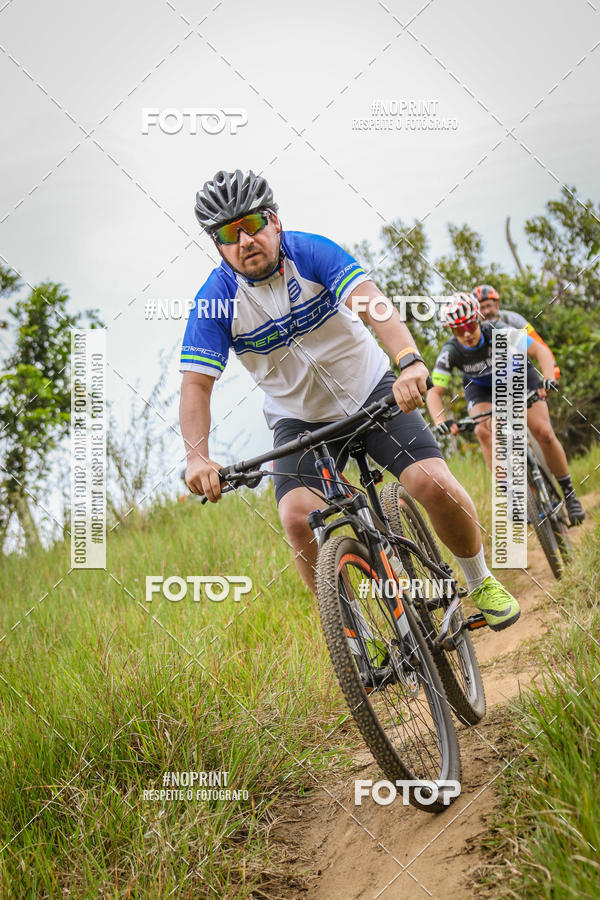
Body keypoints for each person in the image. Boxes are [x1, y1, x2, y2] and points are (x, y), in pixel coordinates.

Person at [180, 169, 521, 630]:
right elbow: (197, 386)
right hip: (299, 421)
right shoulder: (215, 299)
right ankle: (350, 632)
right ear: (217, 244)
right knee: (298, 518)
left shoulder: (311, 251)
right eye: (227, 233)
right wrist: (197, 457)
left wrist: (409, 361)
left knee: (432, 483)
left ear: (275, 221)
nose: (244, 240)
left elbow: (373, 304)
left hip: (371, 392)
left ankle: (479, 579)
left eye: (253, 224)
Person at [427, 292, 585, 524]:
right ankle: (510, 495)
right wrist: (440, 421)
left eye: (470, 325)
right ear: (452, 331)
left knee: (543, 432)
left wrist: (548, 379)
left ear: (478, 319)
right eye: (459, 330)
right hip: (482, 390)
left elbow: (539, 351)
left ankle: (569, 495)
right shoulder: (450, 352)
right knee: (483, 431)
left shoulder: (498, 330)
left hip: (519, 378)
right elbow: (434, 391)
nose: (467, 333)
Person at [472, 284, 560, 380]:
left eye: (489, 305)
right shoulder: (473, 330)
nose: (486, 311)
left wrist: (553, 372)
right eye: (482, 308)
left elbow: (538, 344)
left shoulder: (514, 319)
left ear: (497, 304)